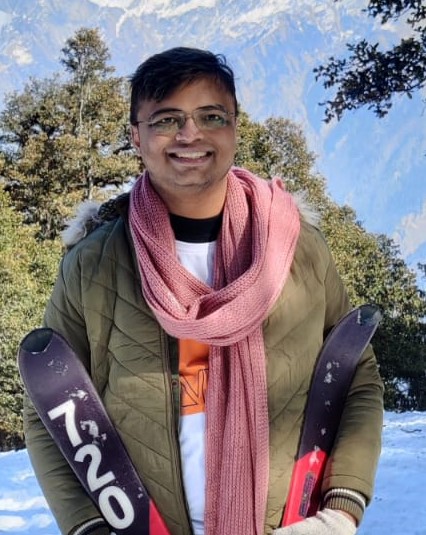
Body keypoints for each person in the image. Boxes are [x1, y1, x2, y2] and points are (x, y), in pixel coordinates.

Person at [23, 47, 384, 535]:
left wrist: (340, 510)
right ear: (136, 136)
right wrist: (87, 526)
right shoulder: (94, 265)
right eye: (166, 119)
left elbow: (355, 374)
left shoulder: (296, 249)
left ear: (234, 127)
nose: (189, 134)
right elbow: (50, 404)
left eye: (211, 116)